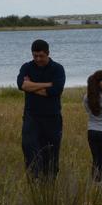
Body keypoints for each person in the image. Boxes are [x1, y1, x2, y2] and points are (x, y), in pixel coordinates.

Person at [16, 39, 66, 180]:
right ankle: (34, 177)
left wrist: (31, 86)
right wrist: (47, 84)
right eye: (35, 56)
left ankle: (50, 180)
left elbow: (55, 90)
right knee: (29, 146)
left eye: (41, 56)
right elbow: (21, 85)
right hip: (31, 115)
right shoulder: (27, 67)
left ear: (48, 54)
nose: (38, 59)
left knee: (51, 150)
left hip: (52, 117)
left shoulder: (57, 68)